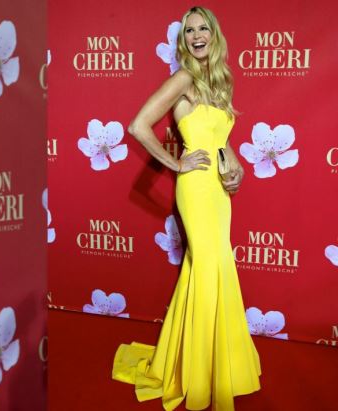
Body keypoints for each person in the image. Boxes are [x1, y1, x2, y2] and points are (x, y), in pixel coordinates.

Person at [112, 6, 261, 411]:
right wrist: (177, 163)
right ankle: (199, 374)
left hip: (218, 191)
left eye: (203, 29)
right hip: (195, 189)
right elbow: (138, 125)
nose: (197, 36)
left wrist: (237, 169)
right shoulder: (183, 79)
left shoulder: (219, 82)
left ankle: (204, 364)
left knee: (210, 269)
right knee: (209, 268)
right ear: (183, 40)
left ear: (214, 35)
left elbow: (220, 141)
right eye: (189, 31)